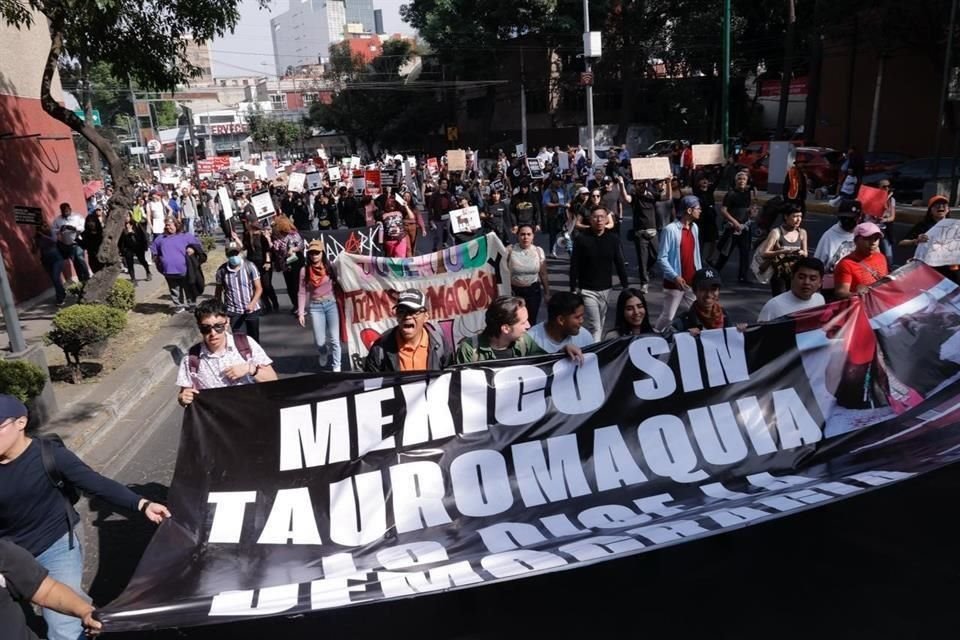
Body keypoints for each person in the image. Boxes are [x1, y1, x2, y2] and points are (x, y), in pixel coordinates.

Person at [0, 394, 170, 640]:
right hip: (10, 556)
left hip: (55, 545)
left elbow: (96, 483)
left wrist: (141, 504)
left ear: (21, 423)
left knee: (62, 627)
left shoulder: (50, 455)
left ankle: (84, 616)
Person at [176, 300, 278, 406]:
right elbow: (184, 394)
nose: (213, 333)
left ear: (227, 322)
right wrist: (183, 398)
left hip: (250, 413)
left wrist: (250, 369)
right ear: (199, 326)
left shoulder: (246, 344)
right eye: (206, 328)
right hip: (216, 419)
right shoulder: (191, 359)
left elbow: (273, 380)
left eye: (218, 326)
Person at [0, 539, 103, 638]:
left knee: (65, 629)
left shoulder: (3, 554)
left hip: (47, 537)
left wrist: (85, 611)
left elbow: (47, 592)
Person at [455, 295, 582, 363]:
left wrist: (562, 351)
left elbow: (544, 363)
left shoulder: (524, 342)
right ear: (505, 328)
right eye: (523, 323)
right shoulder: (470, 350)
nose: (528, 326)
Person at [570, 206, 629, 340]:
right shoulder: (581, 239)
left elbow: (619, 262)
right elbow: (574, 264)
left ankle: (593, 345)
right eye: (595, 217)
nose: (599, 220)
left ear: (606, 219)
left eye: (602, 217)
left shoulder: (613, 239)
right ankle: (595, 354)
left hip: (606, 289)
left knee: (601, 322)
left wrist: (625, 285)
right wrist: (573, 288)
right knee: (595, 325)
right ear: (590, 219)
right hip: (587, 290)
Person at [364, 289, 454, 372]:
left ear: (426, 316)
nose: (407, 316)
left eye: (413, 311)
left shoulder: (440, 345)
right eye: (401, 311)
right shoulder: (380, 348)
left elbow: (450, 382)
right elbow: (370, 385)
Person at [654, 194, 703, 332]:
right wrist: (675, 276)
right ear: (689, 210)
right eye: (698, 208)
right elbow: (661, 258)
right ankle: (655, 336)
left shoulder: (695, 228)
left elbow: (696, 254)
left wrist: (699, 275)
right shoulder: (670, 230)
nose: (700, 211)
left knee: (697, 313)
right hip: (674, 283)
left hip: (692, 282)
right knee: (668, 316)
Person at [297, 239, 341, 372]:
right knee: (319, 341)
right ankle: (323, 352)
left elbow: (344, 277)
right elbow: (302, 292)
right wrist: (300, 312)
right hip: (316, 307)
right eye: (312, 253)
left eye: (317, 253)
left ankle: (336, 365)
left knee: (334, 339)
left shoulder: (330, 266)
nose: (314, 255)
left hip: (331, 304)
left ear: (322, 253)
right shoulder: (304, 271)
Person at [670, 268, 748, 336]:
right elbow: (669, 343)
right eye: (703, 289)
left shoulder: (724, 316)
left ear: (718, 291)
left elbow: (732, 344)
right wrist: (684, 336)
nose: (708, 294)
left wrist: (740, 333)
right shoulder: (682, 322)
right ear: (695, 291)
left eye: (713, 289)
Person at [150, 217, 202, 312]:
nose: (168, 227)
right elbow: (154, 251)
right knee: (174, 289)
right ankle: (179, 305)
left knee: (188, 287)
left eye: (170, 225)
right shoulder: (160, 238)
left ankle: (192, 304)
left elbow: (198, 245)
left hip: (185, 269)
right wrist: (158, 261)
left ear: (176, 225)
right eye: (166, 225)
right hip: (169, 270)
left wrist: (193, 249)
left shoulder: (185, 236)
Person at [215, 241, 263, 341]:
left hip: (251, 311)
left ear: (239, 253)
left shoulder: (249, 266)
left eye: (235, 253)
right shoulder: (222, 271)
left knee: (254, 340)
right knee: (240, 341)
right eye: (230, 254)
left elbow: (258, 288)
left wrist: (253, 303)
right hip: (234, 312)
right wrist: (220, 312)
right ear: (227, 255)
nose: (233, 256)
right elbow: (218, 292)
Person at [714, 170, 756, 282]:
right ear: (735, 181)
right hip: (733, 228)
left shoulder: (747, 194)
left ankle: (743, 276)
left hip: (745, 228)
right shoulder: (731, 194)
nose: (742, 181)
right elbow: (723, 210)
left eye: (744, 179)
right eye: (739, 179)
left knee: (745, 252)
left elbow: (747, 209)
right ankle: (715, 271)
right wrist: (735, 222)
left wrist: (751, 212)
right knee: (726, 252)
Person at [757, 204, 808, 296]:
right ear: (786, 216)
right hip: (779, 273)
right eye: (795, 216)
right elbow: (765, 253)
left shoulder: (802, 232)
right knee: (779, 299)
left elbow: (805, 253)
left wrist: (801, 253)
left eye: (800, 216)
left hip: (795, 274)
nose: (798, 219)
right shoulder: (776, 232)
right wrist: (782, 251)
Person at [814, 199, 860, 296]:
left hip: (856, 286)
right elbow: (817, 265)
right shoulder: (828, 237)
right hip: (832, 289)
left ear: (859, 218)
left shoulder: (862, 233)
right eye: (844, 218)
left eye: (851, 218)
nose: (847, 221)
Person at [757, 257, 827, 321]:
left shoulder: (820, 300)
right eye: (801, 277)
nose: (806, 282)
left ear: (820, 283)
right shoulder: (773, 306)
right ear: (792, 277)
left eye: (812, 279)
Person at [834, 222, 889, 299]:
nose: (873, 243)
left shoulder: (881, 257)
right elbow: (841, 293)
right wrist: (856, 293)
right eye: (868, 238)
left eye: (876, 238)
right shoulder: (846, 264)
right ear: (856, 240)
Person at [508, 223, 550, 323]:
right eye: (522, 234)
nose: (525, 237)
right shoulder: (510, 250)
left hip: (533, 292)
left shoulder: (538, 251)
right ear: (517, 236)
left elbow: (543, 274)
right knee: (515, 321)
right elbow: (503, 273)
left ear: (533, 236)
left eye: (528, 234)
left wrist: (547, 293)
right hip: (514, 292)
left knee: (531, 321)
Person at [527, 291, 595, 353]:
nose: (582, 321)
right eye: (577, 317)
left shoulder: (585, 337)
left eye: (582, 316)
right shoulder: (531, 339)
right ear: (561, 320)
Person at [242, 221, 278, 314]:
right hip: (252, 264)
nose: (258, 231)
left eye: (258, 229)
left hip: (263, 263)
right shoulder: (247, 236)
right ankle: (267, 305)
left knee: (267, 285)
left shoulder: (262, 237)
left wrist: (268, 261)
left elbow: (267, 250)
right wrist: (235, 239)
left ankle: (275, 303)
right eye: (256, 229)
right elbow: (243, 247)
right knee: (258, 286)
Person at [271, 216, 305, 313]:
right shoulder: (276, 236)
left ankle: (300, 306)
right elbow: (275, 249)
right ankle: (295, 304)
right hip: (285, 263)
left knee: (296, 285)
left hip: (295, 261)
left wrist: (293, 249)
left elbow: (301, 245)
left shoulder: (293, 234)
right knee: (289, 286)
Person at [50, 203, 90, 284]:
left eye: (67, 210)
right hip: (67, 245)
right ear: (61, 211)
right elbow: (53, 230)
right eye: (64, 211)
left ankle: (87, 277)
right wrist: (60, 230)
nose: (66, 212)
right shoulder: (58, 219)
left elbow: (83, 227)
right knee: (75, 261)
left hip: (77, 242)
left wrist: (74, 228)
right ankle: (81, 279)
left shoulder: (77, 216)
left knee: (80, 259)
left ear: (70, 209)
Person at [33, 220, 66, 306]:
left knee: (55, 278)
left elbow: (54, 241)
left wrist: (43, 235)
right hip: (45, 260)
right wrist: (33, 243)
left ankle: (60, 298)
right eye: (42, 226)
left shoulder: (51, 233)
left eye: (46, 225)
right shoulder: (37, 237)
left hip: (56, 259)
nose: (45, 227)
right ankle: (62, 293)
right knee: (54, 280)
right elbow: (34, 251)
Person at [118, 215, 152, 286]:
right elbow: (120, 240)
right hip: (127, 248)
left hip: (138, 246)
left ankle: (148, 272)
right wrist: (121, 250)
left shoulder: (136, 224)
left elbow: (143, 235)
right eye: (124, 216)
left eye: (127, 216)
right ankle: (133, 279)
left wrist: (145, 246)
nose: (126, 218)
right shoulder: (121, 227)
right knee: (130, 264)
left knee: (142, 260)